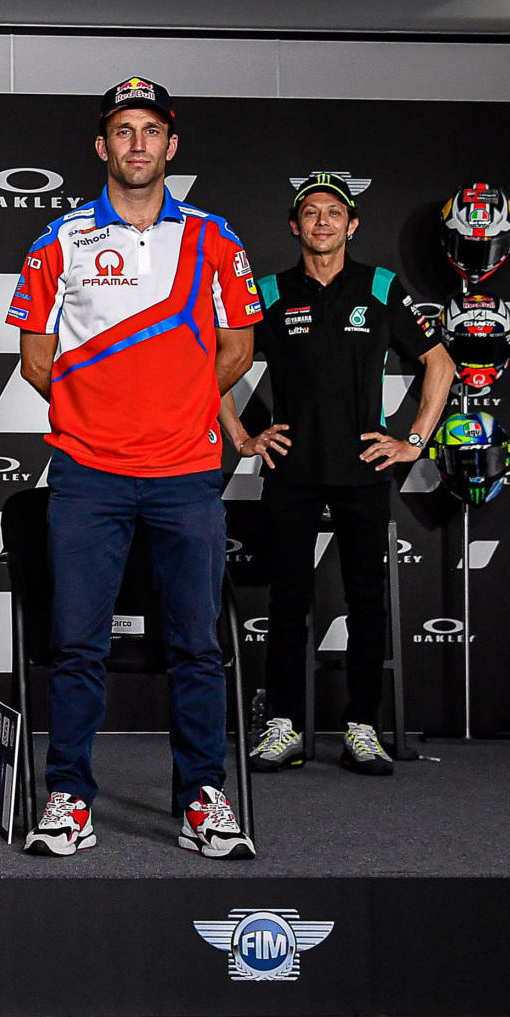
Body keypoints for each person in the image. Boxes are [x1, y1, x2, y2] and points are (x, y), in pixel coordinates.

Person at [9, 76, 260, 860]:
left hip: (188, 471)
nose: (139, 143)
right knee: (79, 643)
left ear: (171, 145)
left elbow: (239, 347)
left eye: (152, 130)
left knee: (196, 643)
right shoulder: (58, 240)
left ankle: (201, 799)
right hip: (87, 475)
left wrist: (177, 405)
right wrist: (98, 413)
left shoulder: (216, 238)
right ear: (103, 145)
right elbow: (35, 358)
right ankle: (70, 800)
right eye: (124, 130)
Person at [220, 173, 454, 777]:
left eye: (334, 213)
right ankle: (284, 728)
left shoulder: (379, 287)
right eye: (310, 213)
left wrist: (413, 443)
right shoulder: (268, 290)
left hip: (363, 470)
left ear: (351, 226)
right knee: (288, 600)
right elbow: (210, 363)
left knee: (367, 601)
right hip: (291, 470)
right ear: (295, 227)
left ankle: (361, 727)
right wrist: (242, 436)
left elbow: (441, 365)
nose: (322, 221)